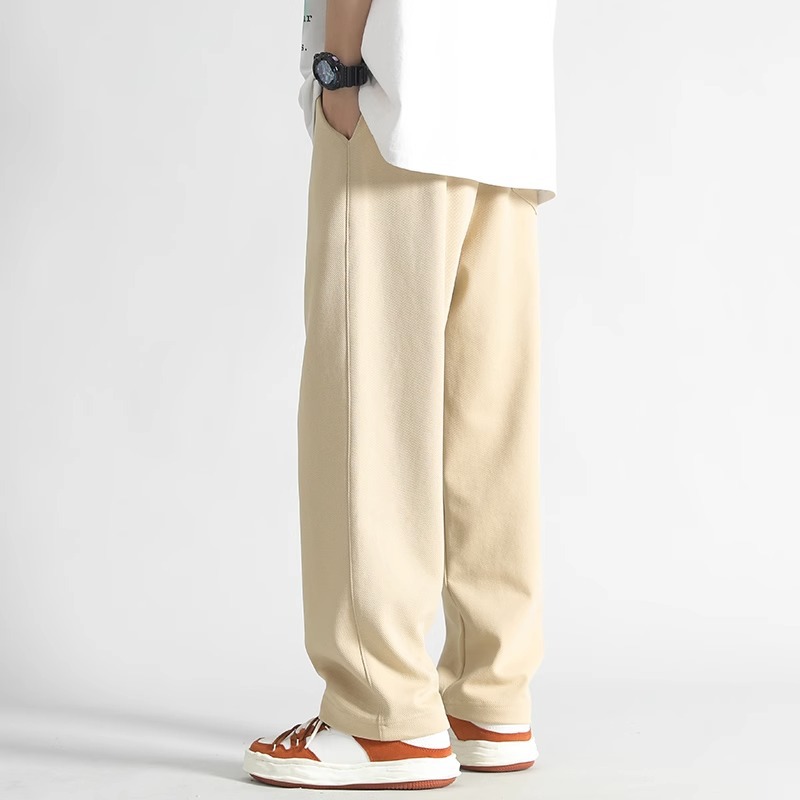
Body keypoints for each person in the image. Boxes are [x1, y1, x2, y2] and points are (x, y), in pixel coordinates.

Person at [243, 0, 558, 790]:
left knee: (369, 407)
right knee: (487, 419)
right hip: (508, 107)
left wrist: (341, 70)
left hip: (402, 96)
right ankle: (490, 697)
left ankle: (380, 714)